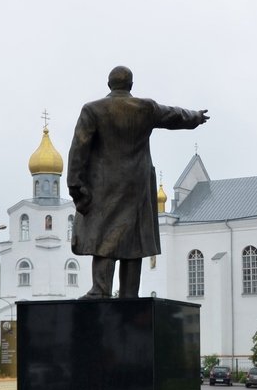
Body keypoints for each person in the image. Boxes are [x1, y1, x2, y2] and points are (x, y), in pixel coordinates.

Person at [67, 65, 209, 298]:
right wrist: (196, 117)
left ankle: (100, 290)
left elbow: (78, 149)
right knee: (134, 238)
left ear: (109, 84)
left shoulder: (93, 110)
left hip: (103, 185)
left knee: (104, 235)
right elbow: (175, 115)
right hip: (137, 185)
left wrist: (75, 184)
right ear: (131, 86)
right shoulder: (145, 108)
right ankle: (130, 295)